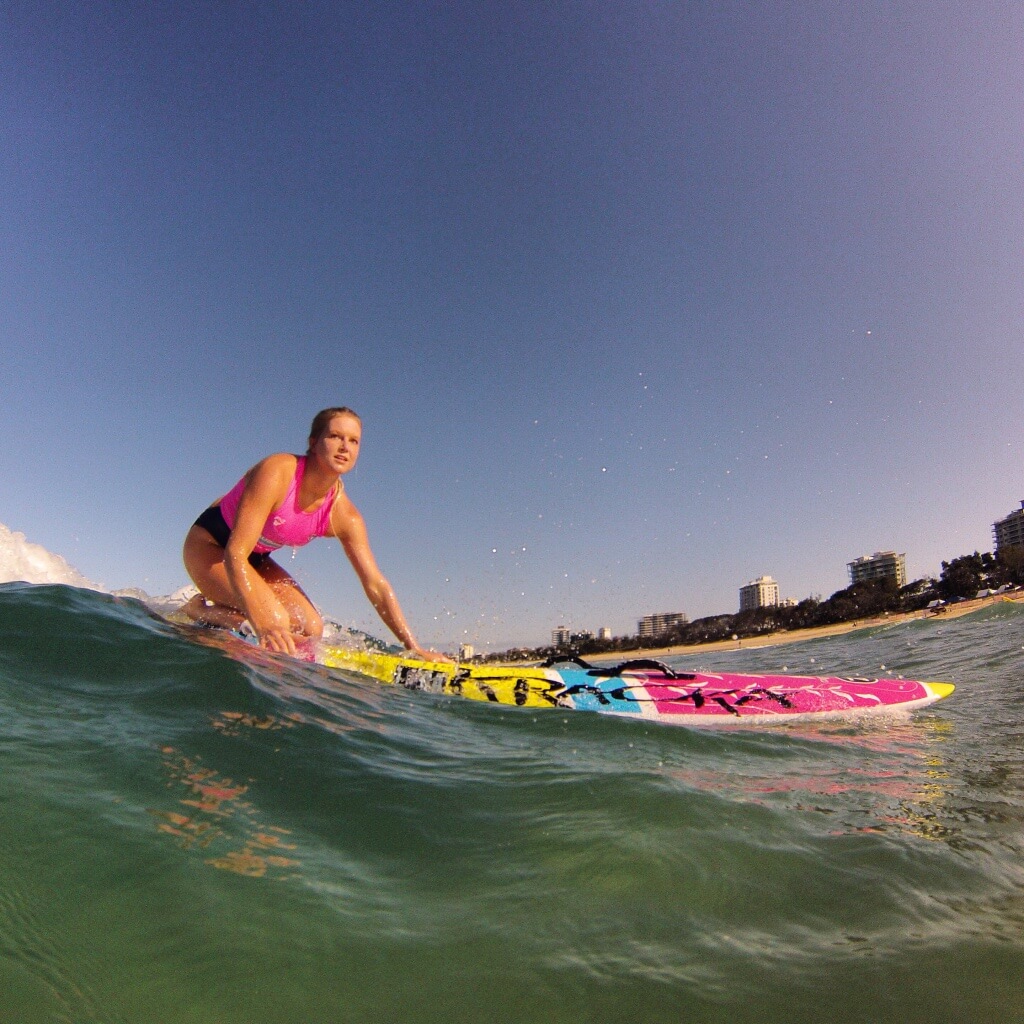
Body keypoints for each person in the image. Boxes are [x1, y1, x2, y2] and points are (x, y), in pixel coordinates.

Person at [182, 407, 441, 659]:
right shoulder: (278, 472)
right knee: (276, 621)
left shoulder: (344, 515)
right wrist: (264, 623)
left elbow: (375, 584)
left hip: (257, 559)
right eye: (335, 436)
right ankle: (201, 612)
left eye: (353, 441)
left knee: (311, 629)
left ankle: (227, 613)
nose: (345, 447)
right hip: (210, 546)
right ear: (313, 442)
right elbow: (236, 553)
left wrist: (413, 647)